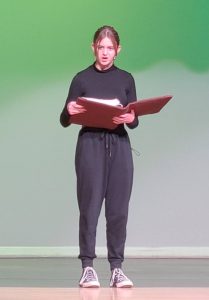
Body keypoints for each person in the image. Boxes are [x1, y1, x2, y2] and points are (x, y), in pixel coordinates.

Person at [60, 25, 139, 288]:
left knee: (118, 210)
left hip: (119, 146)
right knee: (90, 207)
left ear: (118, 50)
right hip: (90, 145)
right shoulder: (81, 78)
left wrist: (131, 117)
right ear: (93, 47)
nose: (105, 53)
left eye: (110, 48)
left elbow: (133, 120)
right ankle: (87, 267)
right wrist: (69, 109)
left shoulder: (126, 79)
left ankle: (117, 267)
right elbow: (64, 118)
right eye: (100, 47)